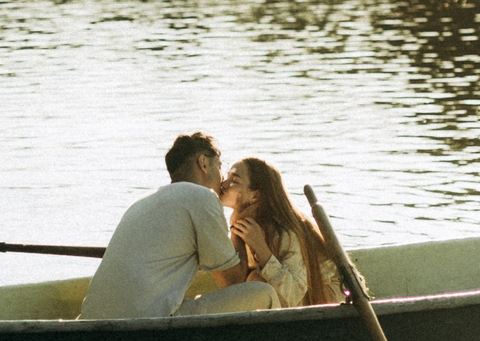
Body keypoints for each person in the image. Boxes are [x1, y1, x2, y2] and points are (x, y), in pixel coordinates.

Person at [78, 132, 251, 320]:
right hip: (147, 323)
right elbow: (233, 280)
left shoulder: (142, 201)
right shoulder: (203, 197)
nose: (223, 178)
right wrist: (240, 216)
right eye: (220, 166)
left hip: (91, 319)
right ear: (203, 163)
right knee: (263, 292)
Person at [220, 156, 342, 308]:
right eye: (227, 177)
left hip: (325, 302)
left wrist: (261, 249)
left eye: (234, 180)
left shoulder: (283, 231)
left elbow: (294, 293)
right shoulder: (246, 223)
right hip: (299, 301)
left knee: (256, 280)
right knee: (253, 280)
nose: (224, 184)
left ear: (255, 195)